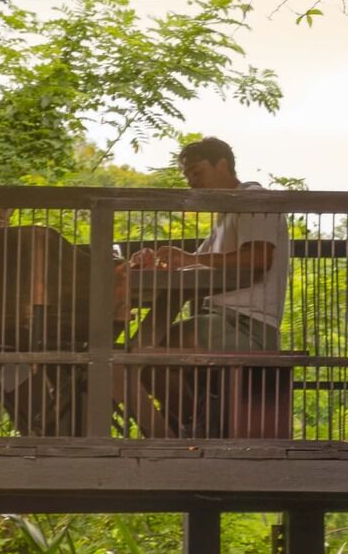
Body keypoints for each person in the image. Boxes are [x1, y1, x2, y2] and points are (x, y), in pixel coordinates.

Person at [122, 136, 290, 432]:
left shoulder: (252, 199)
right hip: (219, 322)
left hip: (249, 326)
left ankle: (191, 427)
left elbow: (260, 257)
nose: (192, 183)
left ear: (222, 164)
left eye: (197, 173)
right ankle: (193, 426)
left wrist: (187, 258)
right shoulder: (225, 215)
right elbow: (195, 264)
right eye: (188, 177)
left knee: (148, 351)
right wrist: (159, 261)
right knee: (144, 355)